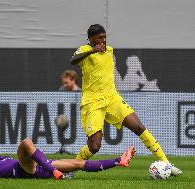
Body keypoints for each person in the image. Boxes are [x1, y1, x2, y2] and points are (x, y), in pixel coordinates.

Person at [70, 24, 182, 176]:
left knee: (139, 127)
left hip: (112, 98)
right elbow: (73, 60)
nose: (103, 40)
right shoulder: (84, 50)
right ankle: (70, 169)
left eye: (104, 37)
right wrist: (92, 51)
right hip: (93, 102)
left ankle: (167, 164)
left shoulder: (109, 50)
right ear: (90, 38)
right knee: (94, 146)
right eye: (99, 38)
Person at [0, 138, 135, 179]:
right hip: (23, 170)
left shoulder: (3, 157)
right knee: (26, 143)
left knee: (78, 163)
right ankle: (54, 171)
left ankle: (118, 161)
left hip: (36, 169)